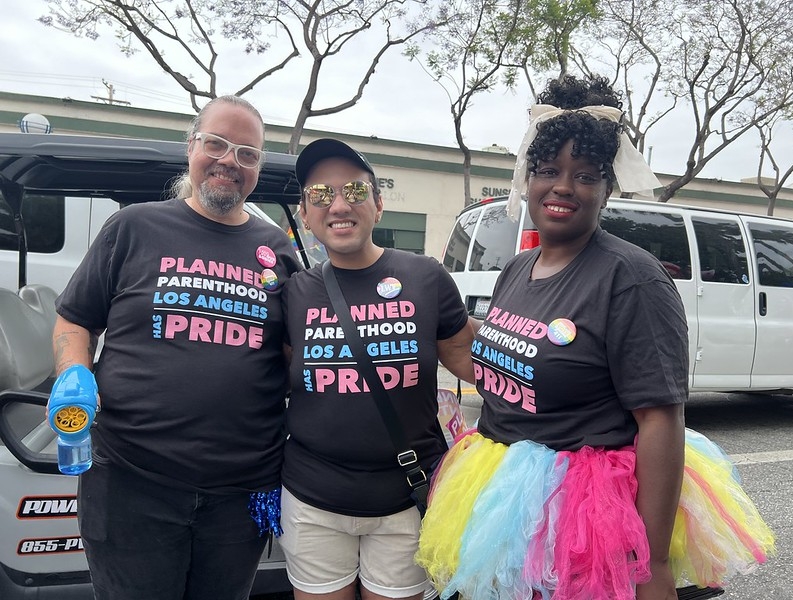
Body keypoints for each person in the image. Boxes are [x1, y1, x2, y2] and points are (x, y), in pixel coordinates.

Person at [416, 75, 774, 600]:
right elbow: (502, 364)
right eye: (547, 170)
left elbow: (660, 419)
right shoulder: (516, 268)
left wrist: (649, 562)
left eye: (585, 175)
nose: (562, 186)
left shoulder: (632, 277)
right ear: (526, 178)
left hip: (588, 510)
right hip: (503, 496)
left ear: (607, 189)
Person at [51, 95, 299, 600]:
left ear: (257, 169)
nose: (230, 160)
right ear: (191, 147)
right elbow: (75, 318)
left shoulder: (277, 250)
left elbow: (296, 355)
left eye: (247, 153)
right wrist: (72, 371)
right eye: (217, 143)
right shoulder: (134, 228)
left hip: (240, 493)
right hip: (130, 484)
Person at [279, 138, 476, 600]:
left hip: (407, 500)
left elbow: (472, 360)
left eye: (354, 190)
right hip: (312, 504)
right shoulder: (293, 294)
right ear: (305, 214)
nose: (339, 204)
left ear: (379, 204)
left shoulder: (426, 277)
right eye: (320, 196)